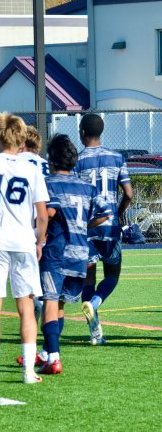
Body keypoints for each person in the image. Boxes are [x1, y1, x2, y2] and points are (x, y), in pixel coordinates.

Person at [0, 112, 49, 386]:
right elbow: (42, 214)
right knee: (26, 308)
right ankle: (28, 372)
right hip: (23, 243)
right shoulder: (33, 169)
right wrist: (39, 241)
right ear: (22, 138)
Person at [29, 134, 111, 375]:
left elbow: (48, 213)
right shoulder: (88, 187)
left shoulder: (47, 184)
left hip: (56, 252)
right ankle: (47, 353)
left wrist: (37, 233)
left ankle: (53, 358)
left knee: (49, 301)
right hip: (80, 253)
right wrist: (83, 226)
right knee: (59, 304)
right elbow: (105, 214)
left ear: (51, 160)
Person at [72, 113, 133, 345]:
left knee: (88, 279)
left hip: (87, 228)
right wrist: (118, 213)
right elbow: (128, 194)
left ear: (82, 133)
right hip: (110, 227)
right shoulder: (117, 158)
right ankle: (95, 303)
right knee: (112, 276)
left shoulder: (77, 161)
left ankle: (95, 332)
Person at [18, 125, 49, 321]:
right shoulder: (46, 164)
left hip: (22, 225)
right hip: (47, 224)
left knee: (21, 277)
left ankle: (34, 303)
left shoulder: (15, 162)